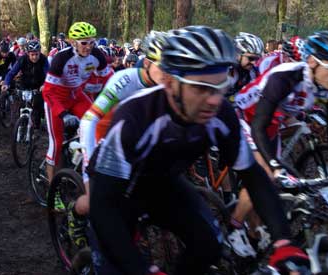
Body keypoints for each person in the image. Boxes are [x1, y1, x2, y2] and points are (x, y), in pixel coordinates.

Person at [88, 25, 308, 275]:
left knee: (210, 245)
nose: (214, 99)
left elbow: (253, 176)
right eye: (201, 88)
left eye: (219, 87)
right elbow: (103, 206)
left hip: (164, 183)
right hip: (118, 194)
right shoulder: (135, 117)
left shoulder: (222, 114)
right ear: (171, 83)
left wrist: (284, 242)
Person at [231, 31, 328, 257]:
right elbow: (258, 124)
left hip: (271, 123)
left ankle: (254, 228)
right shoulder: (284, 77)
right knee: (265, 174)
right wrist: (275, 167)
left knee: (272, 186)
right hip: (245, 117)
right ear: (311, 62)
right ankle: (233, 228)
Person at [66, 30, 166, 248]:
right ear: (148, 63)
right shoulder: (125, 80)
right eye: (164, 66)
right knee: (98, 200)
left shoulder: (166, 86)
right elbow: (89, 120)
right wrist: (90, 161)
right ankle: (76, 213)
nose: (170, 74)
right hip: (100, 134)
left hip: (130, 140)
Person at [41, 21, 112, 182]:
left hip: (76, 96)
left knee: (96, 125)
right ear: (73, 42)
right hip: (56, 99)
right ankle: (53, 191)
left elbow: (110, 80)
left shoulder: (97, 55)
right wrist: (63, 114)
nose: (89, 46)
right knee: (57, 143)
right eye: (84, 43)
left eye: (92, 42)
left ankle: (80, 160)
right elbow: (48, 92)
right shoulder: (61, 58)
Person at [1, 41, 48, 128]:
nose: (34, 57)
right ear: (28, 53)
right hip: (25, 84)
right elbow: (11, 73)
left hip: (39, 85)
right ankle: (21, 123)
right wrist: (6, 83)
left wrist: (45, 85)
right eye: (32, 54)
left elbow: (48, 75)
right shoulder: (22, 59)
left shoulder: (44, 59)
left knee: (38, 105)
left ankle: (37, 125)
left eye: (36, 54)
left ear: (39, 52)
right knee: (21, 104)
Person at [229, 32, 264, 97]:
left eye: (257, 59)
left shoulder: (253, 72)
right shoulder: (225, 71)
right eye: (251, 58)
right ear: (237, 54)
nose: (254, 62)